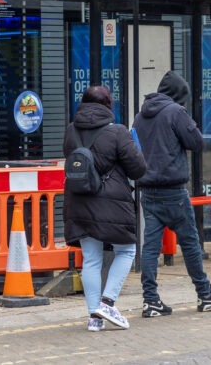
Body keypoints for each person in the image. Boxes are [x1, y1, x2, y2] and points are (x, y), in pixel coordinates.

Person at [133, 71, 211, 317]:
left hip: (148, 190)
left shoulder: (139, 116)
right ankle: (205, 294)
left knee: (150, 247)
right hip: (173, 190)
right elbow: (196, 142)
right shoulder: (176, 112)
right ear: (179, 95)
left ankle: (150, 300)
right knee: (190, 243)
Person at [63, 84, 147, 332]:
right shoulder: (118, 132)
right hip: (111, 202)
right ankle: (108, 302)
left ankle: (93, 317)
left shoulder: (70, 131)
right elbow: (138, 168)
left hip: (79, 199)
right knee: (126, 250)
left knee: (90, 259)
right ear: (108, 105)